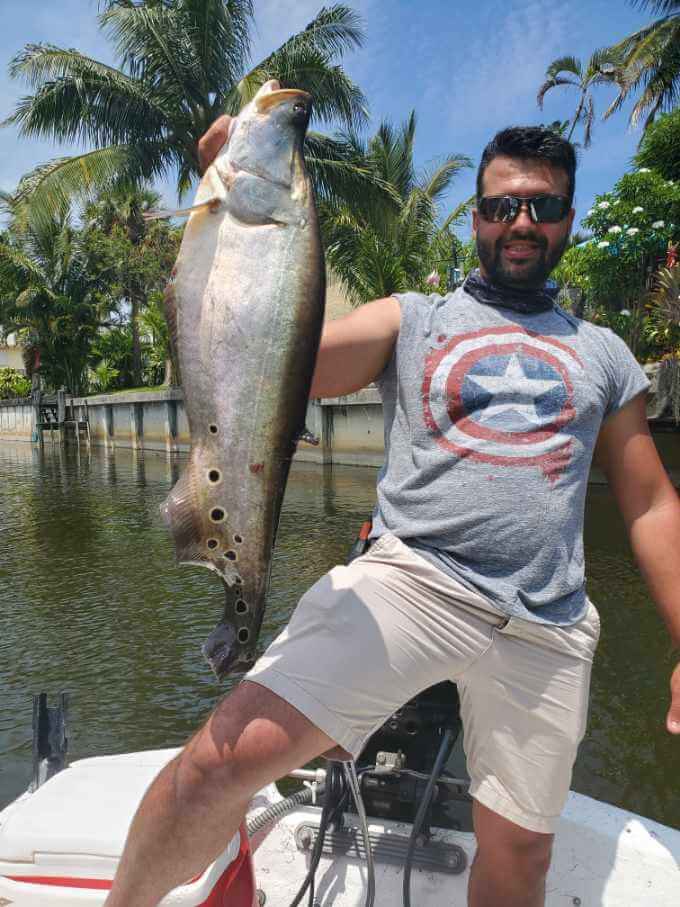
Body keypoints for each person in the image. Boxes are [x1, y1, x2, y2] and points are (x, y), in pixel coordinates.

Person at [104, 121, 680, 907]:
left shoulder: (606, 352)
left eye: (544, 208)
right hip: (412, 581)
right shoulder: (414, 318)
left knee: (521, 858)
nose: (522, 223)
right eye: (502, 205)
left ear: (569, 220)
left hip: (547, 618)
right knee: (215, 765)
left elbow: (649, 503)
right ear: (476, 217)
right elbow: (287, 356)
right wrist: (234, 228)